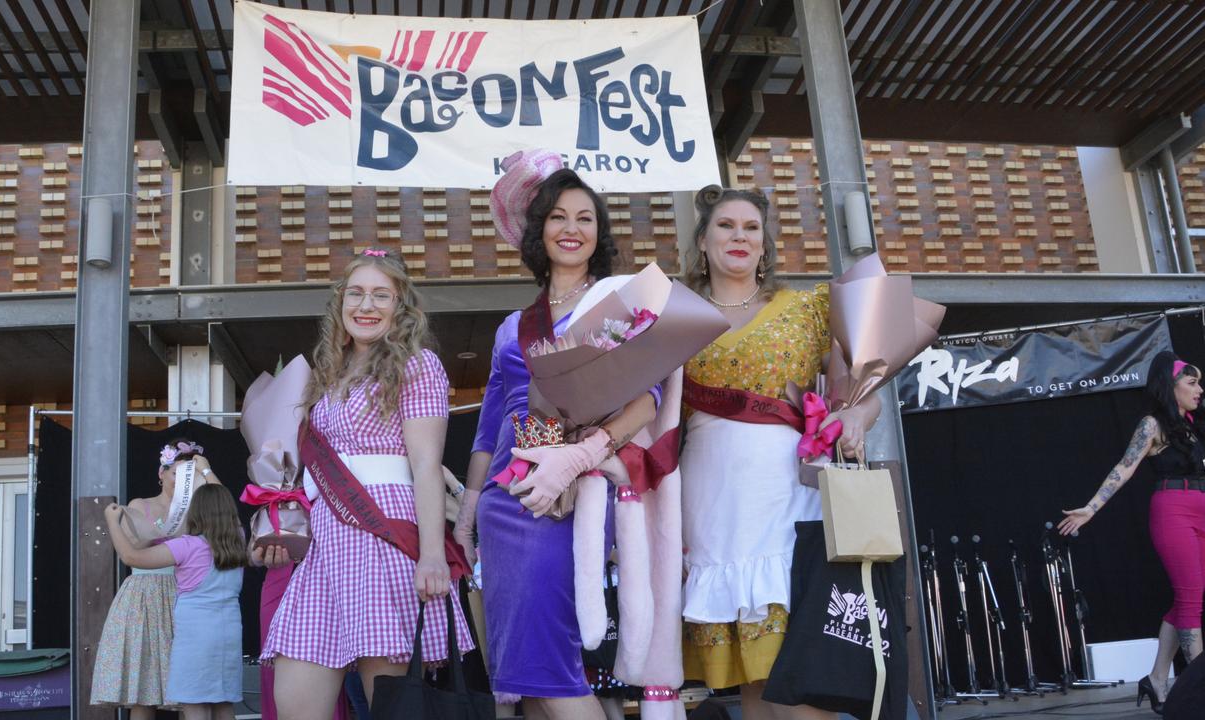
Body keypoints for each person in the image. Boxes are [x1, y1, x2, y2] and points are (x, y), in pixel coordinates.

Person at [453, 152, 663, 720]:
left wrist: (582, 454)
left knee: (552, 668)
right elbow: (490, 427)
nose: (572, 229)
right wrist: (468, 515)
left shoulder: (620, 303)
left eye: (585, 218)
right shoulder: (509, 327)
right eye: (558, 217)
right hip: (506, 500)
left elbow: (649, 399)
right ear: (538, 230)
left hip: (573, 495)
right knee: (522, 674)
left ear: (600, 232)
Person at [678, 186, 879, 720]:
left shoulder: (809, 309)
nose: (739, 236)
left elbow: (866, 388)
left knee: (804, 669)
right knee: (757, 683)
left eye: (751, 228)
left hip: (790, 499)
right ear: (702, 242)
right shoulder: (672, 316)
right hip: (713, 508)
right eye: (725, 226)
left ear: (766, 246)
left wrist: (854, 417)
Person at [259, 249, 473, 720]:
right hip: (324, 544)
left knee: (393, 706)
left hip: (384, 536)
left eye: (381, 294)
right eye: (355, 293)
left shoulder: (418, 366)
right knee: (294, 702)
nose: (366, 304)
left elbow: (425, 465)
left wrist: (433, 553)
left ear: (401, 307)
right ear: (340, 302)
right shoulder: (327, 374)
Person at [1060, 351, 1204, 713]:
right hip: (1174, 511)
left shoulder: (1190, 426)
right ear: (1171, 386)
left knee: (1190, 596)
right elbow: (1124, 468)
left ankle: (1157, 679)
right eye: (1192, 382)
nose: (1199, 389)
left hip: (1201, 509)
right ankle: (1198, 692)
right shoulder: (1152, 425)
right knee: (1191, 601)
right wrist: (1090, 508)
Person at [91, 439, 221, 719]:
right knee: (144, 688)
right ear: (161, 473)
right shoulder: (141, 504)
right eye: (177, 472)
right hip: (144, 596)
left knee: (192, 690)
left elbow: (223, 513)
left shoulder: (198, 510)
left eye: (189, 475)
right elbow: (132, 547)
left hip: (183, 595)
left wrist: (206, 474)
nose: (182, 480)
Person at [104, 482, 247, 720]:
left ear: (196, 512)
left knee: (195, 705)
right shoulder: (239, 540)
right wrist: (206, 470)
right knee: (223, 703)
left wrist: (112, 521)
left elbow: (131, 556)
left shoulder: (187, 546)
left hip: (196, 639)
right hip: (229, 635)